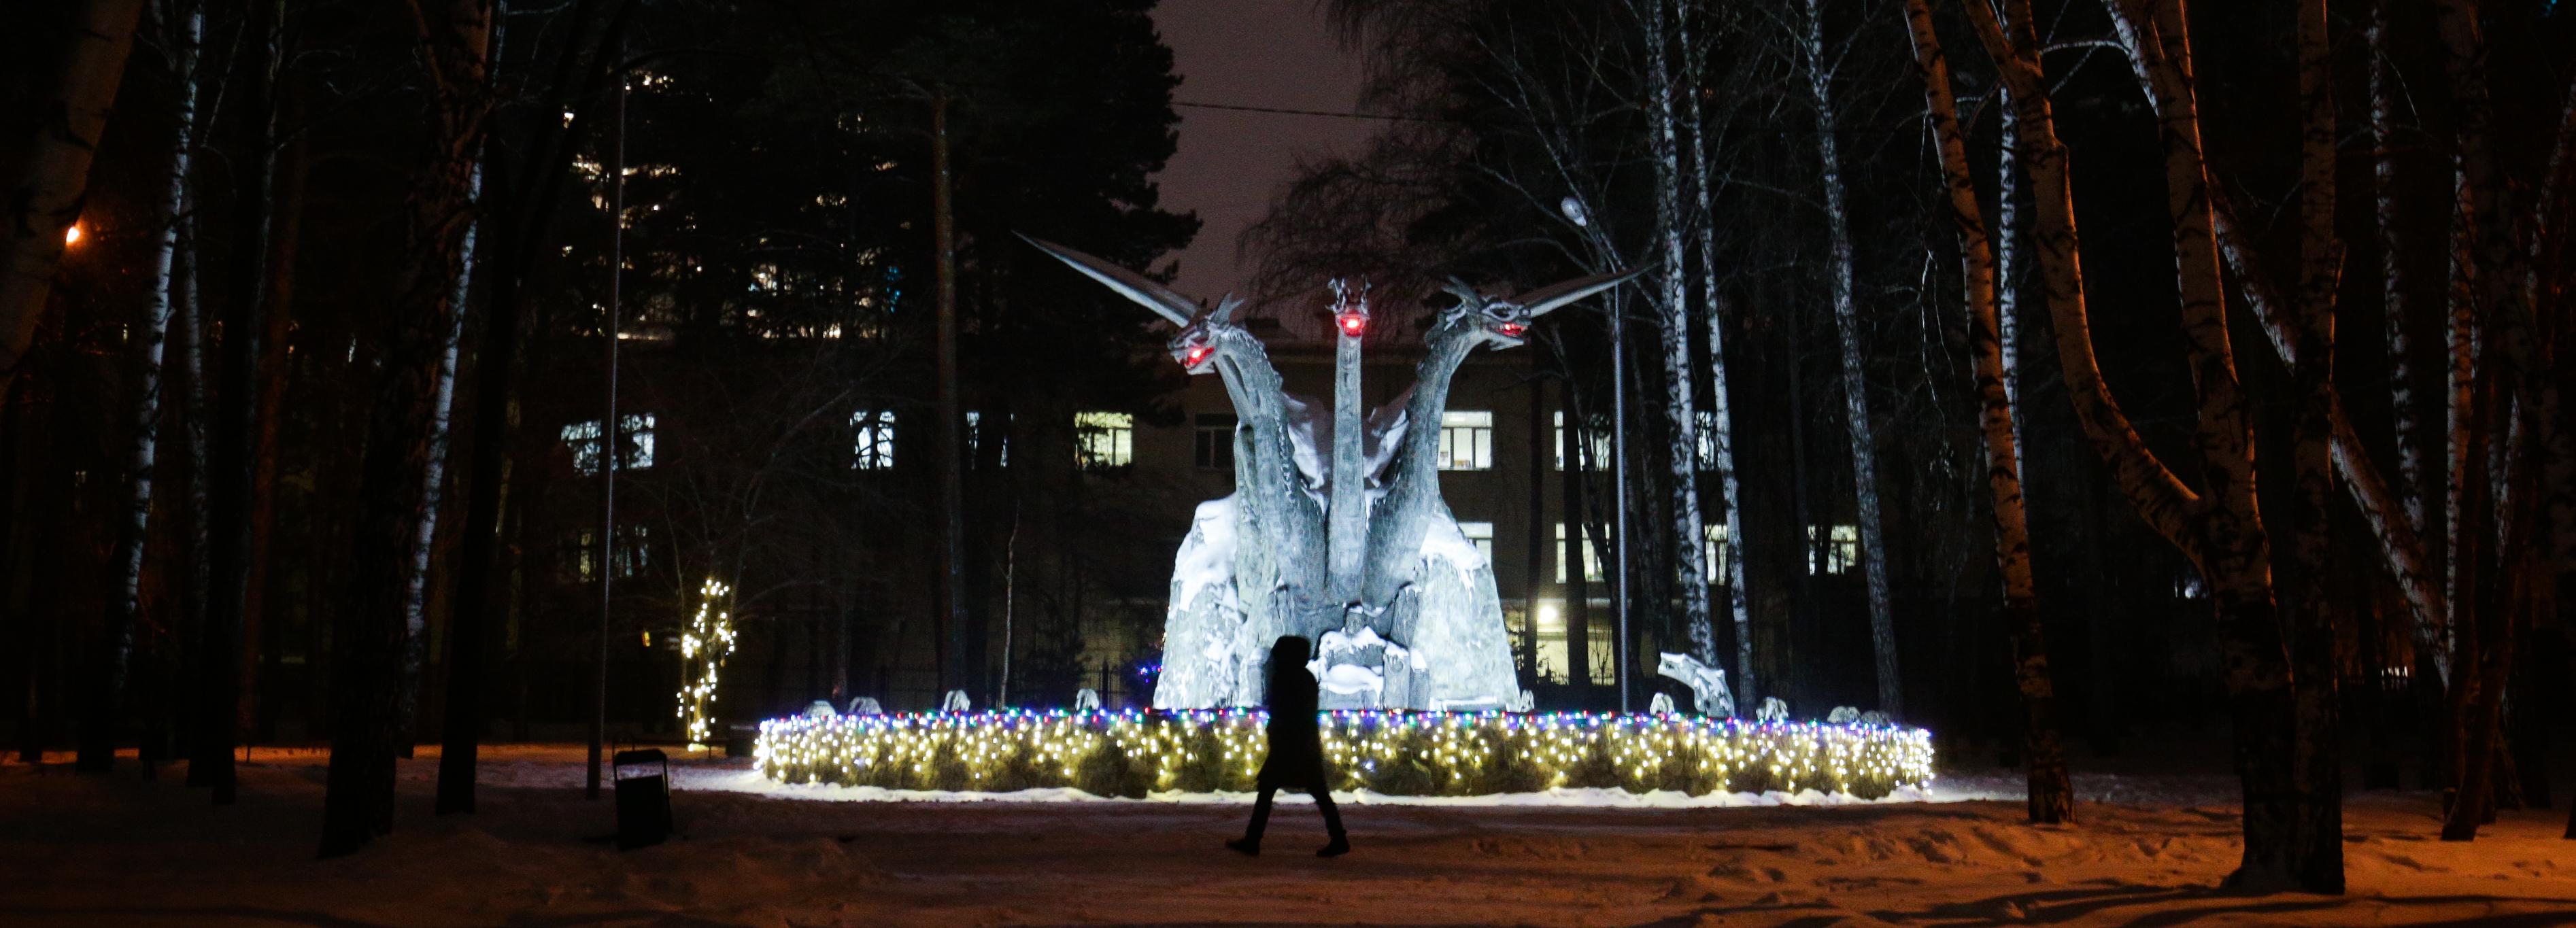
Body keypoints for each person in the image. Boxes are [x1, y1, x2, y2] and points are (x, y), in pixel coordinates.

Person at [1227, 635, 1349, 857]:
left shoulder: (1288, 678)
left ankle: (1253, 840)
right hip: (1301, 745)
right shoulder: (1303, 678)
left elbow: (1285, 711)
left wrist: (1277, 733)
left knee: (1273, 790)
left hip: (1291, 746)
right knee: (1314, 792)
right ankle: (1338, 837)